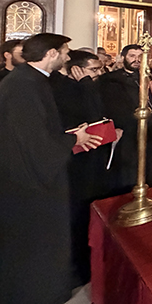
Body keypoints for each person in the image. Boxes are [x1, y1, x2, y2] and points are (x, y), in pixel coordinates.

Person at [0, 33, 102, 304]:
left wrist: (68, 135)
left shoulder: (30, 80)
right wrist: (73, 140)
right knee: (34, 241)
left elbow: (37, 130)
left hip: (27, 174)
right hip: (30, 181)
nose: (68, 57)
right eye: (64, 52)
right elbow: (34, 142)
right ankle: (34, 299)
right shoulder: (25, 86)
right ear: (51, 53)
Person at [50, 50, 109, 285]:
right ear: (76, 69)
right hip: (73, 160)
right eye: (93, 70)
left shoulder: (83, 85)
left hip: (87, 157)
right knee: (75, 212)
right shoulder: (67, 88)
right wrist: (86, 84)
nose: (98, 74)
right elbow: (94, 114)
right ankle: (76, 267)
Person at [97, 44, 152, 193]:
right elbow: (107, 106)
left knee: (150, 169)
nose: (136, 60)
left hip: (150, 132)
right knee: (126, 172)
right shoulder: (110, 79)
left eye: (140, 57)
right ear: (123, 57)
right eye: (132, 56)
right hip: (125, 132)